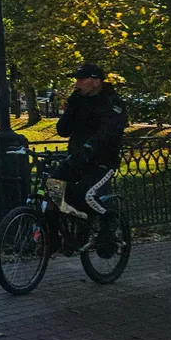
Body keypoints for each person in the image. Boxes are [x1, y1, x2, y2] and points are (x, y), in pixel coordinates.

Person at [52, 64, 127, 243]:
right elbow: (63, 130)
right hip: (76, 159)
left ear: (95, 82)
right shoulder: (77, 100)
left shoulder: (112, 102)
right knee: (53, 187)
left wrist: (90, 148)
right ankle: (61, 233)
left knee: (85, 194)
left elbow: (109, 131)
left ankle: (110, 220)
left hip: (102, 162)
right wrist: (70, 109)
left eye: (81, 79)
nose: (76, 83)